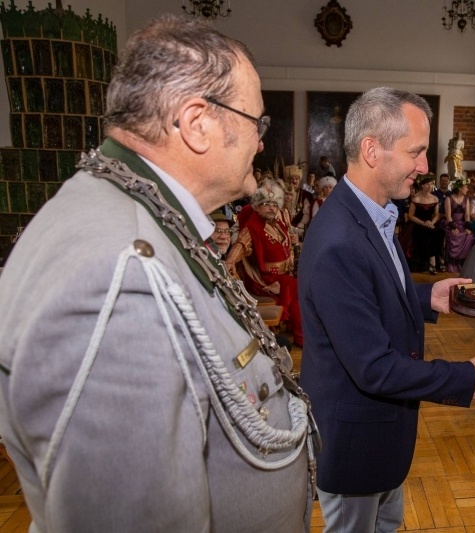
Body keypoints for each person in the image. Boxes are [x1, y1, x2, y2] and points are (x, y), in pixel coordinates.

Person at [0, 15, 313, 532]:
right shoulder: (120, 281)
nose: (262, 142)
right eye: (257, 123)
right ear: (196, 123)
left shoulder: (138, 214)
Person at [298, 87, 475, 533]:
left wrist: (422, 297)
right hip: (355, 444)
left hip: (379, 436)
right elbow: (373, 368)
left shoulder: (371, 212)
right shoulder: (339, 239)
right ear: (372, 150)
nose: (426, 167)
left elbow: (364, 290)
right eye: (416, 152)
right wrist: (466, 376)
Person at [234, 181, 303, 347]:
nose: (271, 208)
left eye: (274, 204)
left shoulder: (278, 224)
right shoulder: (252, 228)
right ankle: (301, 337)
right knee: (297, 287)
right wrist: (229, 263)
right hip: (266, 280)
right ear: (257, 207)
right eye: (266, 204)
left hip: (284, 274)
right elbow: (239, 247)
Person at [408, 174, 445, 274]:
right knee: (428, 233)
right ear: (422, 186)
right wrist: (423, 223)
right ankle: (432, 261)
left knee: (440, 232)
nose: (429, 186)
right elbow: (411, 216)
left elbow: (436, 215)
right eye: (427, 184)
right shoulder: (416, 198)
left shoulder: (435, 198)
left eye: (431, 184)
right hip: (418, 224)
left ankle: (440, 258)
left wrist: (431, 222)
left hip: (431, 223)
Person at [443, 179, 475, 272]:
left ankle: (463, 263)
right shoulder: (449, 199)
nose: (467, 189)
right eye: (465, 187)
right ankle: (453, 264)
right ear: (460, 188)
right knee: (456, 236)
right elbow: (448, 215)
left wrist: (467, 227)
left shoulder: (466, 199)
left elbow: (467, 215)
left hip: (462, 223)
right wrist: (453, 227)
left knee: (470, 236)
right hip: (451, 222)